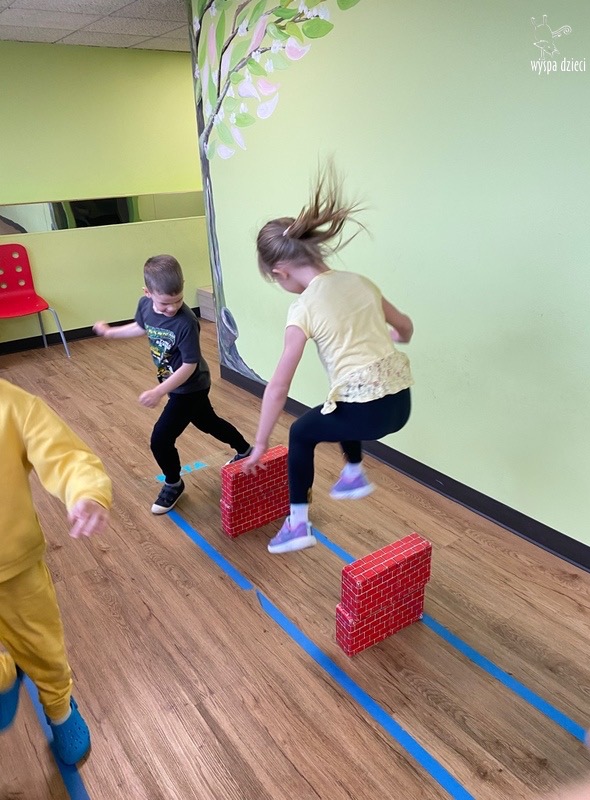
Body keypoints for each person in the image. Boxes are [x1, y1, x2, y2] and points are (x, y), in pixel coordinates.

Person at [242, 167, 414, 554]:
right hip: (401, 405)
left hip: (366, 413)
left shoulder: (303, 308)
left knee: (302, 432)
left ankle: (297, 524)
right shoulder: (361, 282)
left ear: (280, 271)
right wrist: (390, 338)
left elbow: (279, 386)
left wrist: (260, 443)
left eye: (278, 281)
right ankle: (353, 472)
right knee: (338, 398)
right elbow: (405, 327)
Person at [0, 379, 112, 764]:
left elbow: (66, 456)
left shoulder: (14, 406)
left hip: (16, 571)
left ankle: (60, 709)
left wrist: (86, 491)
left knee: (44, 649)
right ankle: (7, 674)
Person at [94, 255, 251, 514]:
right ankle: (245, 450)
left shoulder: (186, 321)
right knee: (208, 422)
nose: (173, 307)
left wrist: (159, 391)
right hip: (175, 385)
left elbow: (189, 366)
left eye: (178, 300)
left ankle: (173, 483)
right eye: (165, 303)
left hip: (191, 387)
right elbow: (141, 327)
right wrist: (111, 332)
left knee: (160, 439)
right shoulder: (145, 306)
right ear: (147, 293)